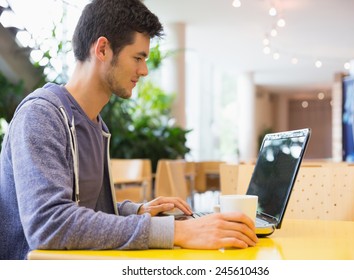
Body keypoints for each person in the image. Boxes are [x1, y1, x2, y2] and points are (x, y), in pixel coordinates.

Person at [0, 0, 257, 260]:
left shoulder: (95, 124)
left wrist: (136, 211)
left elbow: (84, 210)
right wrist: (176, 232)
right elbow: (49, 225)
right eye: (138, 58)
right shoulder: (41, 115)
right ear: (103, 49)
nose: (144, 70)